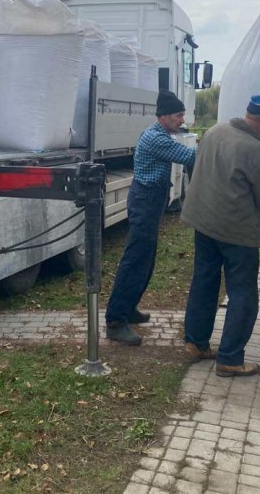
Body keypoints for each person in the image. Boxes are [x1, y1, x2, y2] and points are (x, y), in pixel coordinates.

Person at [181, 89, 260, 376]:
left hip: (204, 222)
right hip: (236, 231)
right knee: (243, 295)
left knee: (204, 283)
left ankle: (196, 344)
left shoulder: (215, 131)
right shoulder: (257, 151)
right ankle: (230, 358)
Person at [105, 90, 196, 346]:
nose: (182, 119)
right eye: (179, 115)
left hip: (151, 201)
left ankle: (129, 307)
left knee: (146, 259)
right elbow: (191, 156)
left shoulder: (162, 134)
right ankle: (115, 321)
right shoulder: (156, 138)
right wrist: (217, 145)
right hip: (145, 202)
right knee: (135, 260)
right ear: (164, 116)